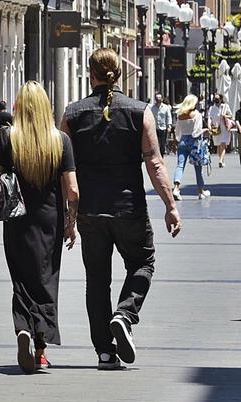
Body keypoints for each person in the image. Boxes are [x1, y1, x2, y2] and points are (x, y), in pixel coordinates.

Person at [60, 48, 181, 371]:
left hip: (90, 211)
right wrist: (171, 206)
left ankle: (104, 352)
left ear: (91, 74)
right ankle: (124, 314)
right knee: (143, 261)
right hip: (129, 207)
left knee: (96, 280)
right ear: (119, 73)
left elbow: (64, 169)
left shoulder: (72, 114)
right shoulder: (140, 111)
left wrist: (68, 217)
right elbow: (155, 163)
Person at [0, 81, 78, 374]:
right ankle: (40, 350)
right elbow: (72, 190)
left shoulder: (7, 138)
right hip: (49, 220)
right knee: (46, 280)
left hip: (16, 220)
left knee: (21, 280)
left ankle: (22, 328)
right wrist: (71, 222)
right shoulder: (60, 140)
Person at [172, 95, 210, 200]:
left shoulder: (180, 115)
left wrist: (179, 139)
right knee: (198, 167)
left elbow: (177, 132)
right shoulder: (196, 115)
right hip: (194, 143)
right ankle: (201, 191)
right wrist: (205, 130)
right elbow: (196, 133)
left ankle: (176, 188)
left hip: (182, 141)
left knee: (180, 165)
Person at [207, 93, 232, 167]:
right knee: (218, 145)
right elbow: (209, 117)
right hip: (216, 128)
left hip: (224, 127)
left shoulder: (225, 106)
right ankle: (222, 160)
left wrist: (225, 116)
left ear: (221, 99)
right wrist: (209, 126)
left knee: (223, 144)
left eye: (217, 98)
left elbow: (231, 115)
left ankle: (220, 160)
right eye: (215, 98)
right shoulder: (212, 108)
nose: (216, 100)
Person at [151, 92, 173, 157]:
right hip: (155, 128)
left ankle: (161, 154)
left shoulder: (166, 108)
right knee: (155, 142)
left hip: (163, 128)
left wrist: (169, 126)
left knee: (162, 143)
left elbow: (169, 116)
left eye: (159, 98)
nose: (158, 99)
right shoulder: (152, 108)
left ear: (162, 99)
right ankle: (156, 155)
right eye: (157, 98)